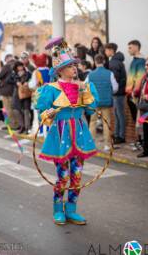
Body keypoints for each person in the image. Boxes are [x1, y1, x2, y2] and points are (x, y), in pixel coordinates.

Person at [35, 37, 99, 225]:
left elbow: (91, 110)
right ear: (61, 70)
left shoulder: (83, 86)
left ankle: (71, 210)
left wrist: (85, 94)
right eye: (71, 66)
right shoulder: (51, 89)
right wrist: (49, 113)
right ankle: (58, 209)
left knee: (77, 176)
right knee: (62, 176)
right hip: (60, 136)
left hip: (79, 135)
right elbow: (43, 116)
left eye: (74, 66)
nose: (75, 69)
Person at [87, 54, 118, 151]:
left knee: (92, 122)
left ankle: (91, 144)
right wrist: (109, 92)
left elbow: (86, 87)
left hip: (94, 102)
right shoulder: (110, 73)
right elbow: (115, 88)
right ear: (104, 61)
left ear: (95, 62)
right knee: (106, 123)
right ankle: (106, 145)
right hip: (106, 102)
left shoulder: (90, 74)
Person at [105, 43, 127, 143]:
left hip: (118, 93)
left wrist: (112, 90)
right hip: (119, 93)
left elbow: (115, 79)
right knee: (118, 115)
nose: (105, 52)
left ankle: (121, 136)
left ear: (111, 50)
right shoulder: (116, 61)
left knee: (119, 115)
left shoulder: (114, 62)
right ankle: (117, 134)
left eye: (106, 50)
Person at [0, 54, 18, 129]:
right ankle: (15, 124)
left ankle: (13, 125)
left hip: (6, 90)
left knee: (8, 108)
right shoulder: (16, 65)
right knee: (13, 108)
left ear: (7, 59)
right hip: (13, 90)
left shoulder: (7, 66)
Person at [10, 61, 32, 134]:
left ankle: (27, 128)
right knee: (16, 110)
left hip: (26, 94)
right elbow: (10, 80)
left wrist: (27, 82)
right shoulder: (14, 74)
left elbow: (31, 80)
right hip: (17, 94)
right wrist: (17, 81)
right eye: (18, 66)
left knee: (26, 111)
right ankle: (22, 126)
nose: (20, 68)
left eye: (21, 66)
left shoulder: (28, 73)